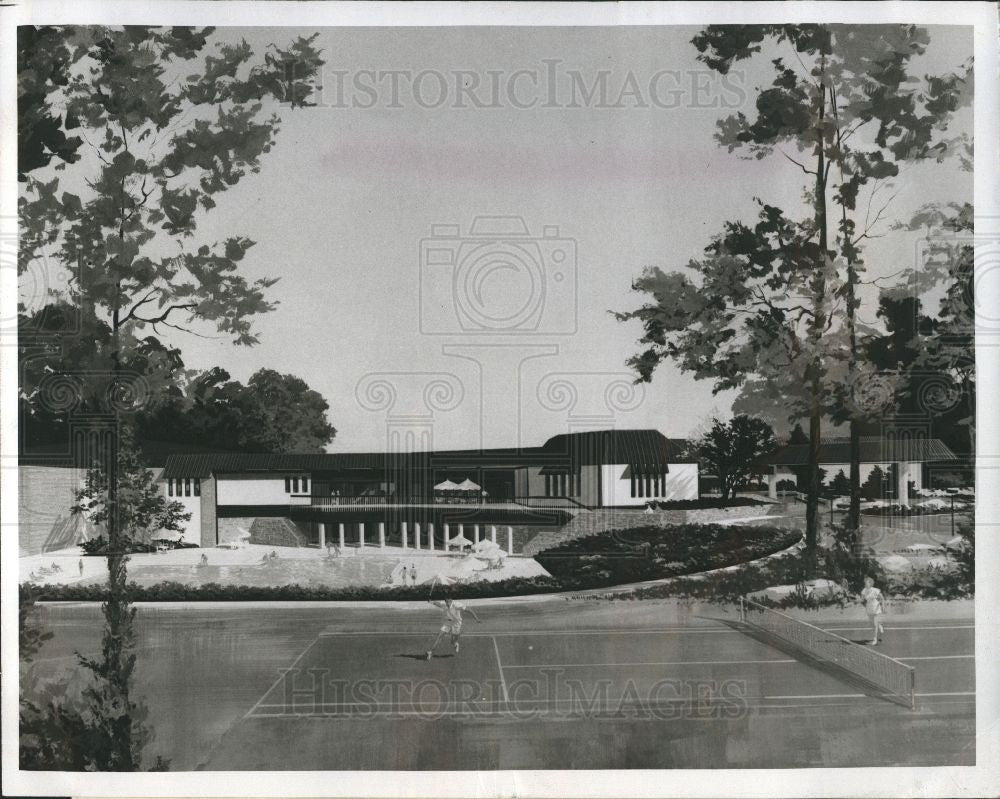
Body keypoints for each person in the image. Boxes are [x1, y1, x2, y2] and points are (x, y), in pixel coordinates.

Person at [426, 593, 480, 659]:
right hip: (448, 622)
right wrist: (430, 601)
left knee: (452, 642)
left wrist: (476, 619)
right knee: (439, 636)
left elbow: (469, 610)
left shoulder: (457, 605)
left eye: (448, 602)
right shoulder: (444, 604)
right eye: (446, 602)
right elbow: (437, 603)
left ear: (451, 600)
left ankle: (456, 644)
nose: (447, 603)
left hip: (457, 623)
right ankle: (430, 652)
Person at [860, 576, 885, 646]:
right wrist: (853, 600)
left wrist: (883, 606)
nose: (865, 584)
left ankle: (875, 639)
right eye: (865, 583)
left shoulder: (875, 590)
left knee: (874, 624)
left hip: (876, 608)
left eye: (866, 583)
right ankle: (880, 626)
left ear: (870, 583)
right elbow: (862, 600)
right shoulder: (864, 590)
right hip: (869, 608)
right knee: (872, 624)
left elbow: (882, 598)